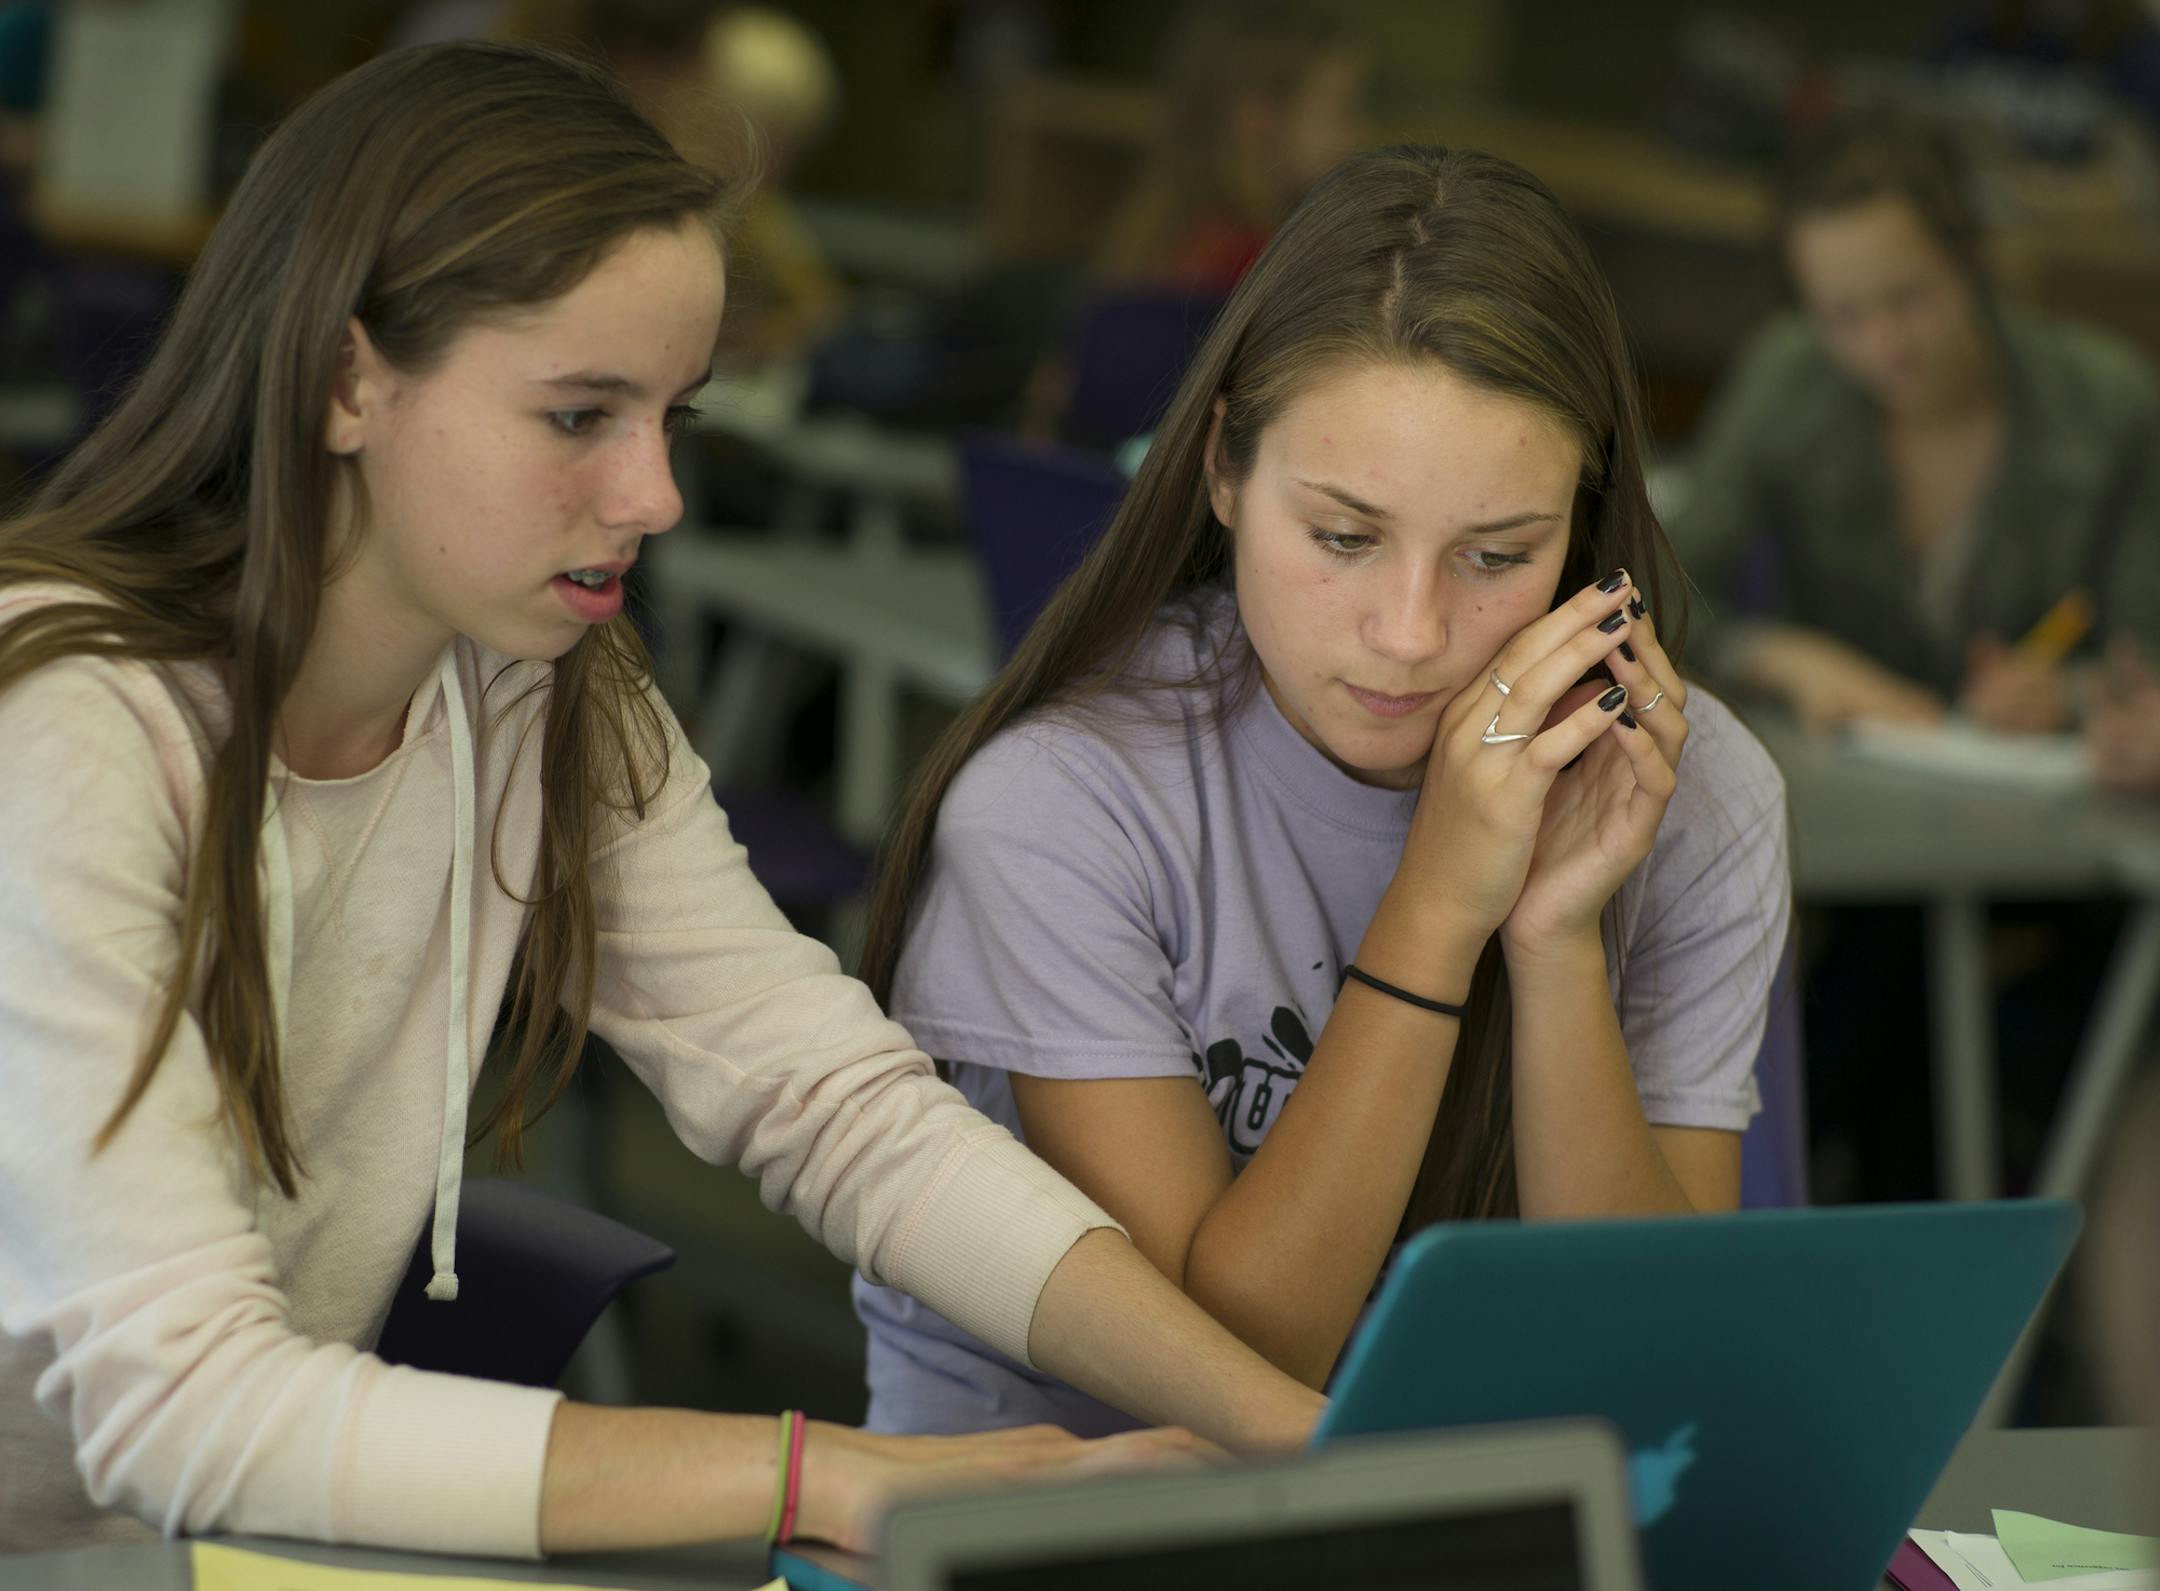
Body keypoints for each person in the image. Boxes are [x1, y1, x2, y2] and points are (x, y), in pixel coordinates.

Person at [0, 41, 1328, 1559]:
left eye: (673, 419)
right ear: (348, 377)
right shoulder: (66, 726)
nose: (655, 497)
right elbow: (182, 1403)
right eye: (579, 416)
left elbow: (829, 1097)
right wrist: (825, 1469)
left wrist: (1282, 1422)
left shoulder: (543, 684)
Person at [851, 145, 1792, 1435]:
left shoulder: (1697, 788)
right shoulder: (1059, 802)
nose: (1408, 631)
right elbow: (1234, 1359)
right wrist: (1442, 904)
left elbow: (1644, 1365)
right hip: (1065, 1520)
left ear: (1587, 521)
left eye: (1498, 555)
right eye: (1344, 537)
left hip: (1460, 1517)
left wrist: (1558, 941)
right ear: (1226, 467)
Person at [1665, 109, 2160, 734]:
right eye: (1844, 316)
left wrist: (2072, 694)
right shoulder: (1789, 375)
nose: (1884, 345)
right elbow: (1656, 587)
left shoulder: (2109, 405)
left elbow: (2148, 651)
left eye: (1909, 298)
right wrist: (1777, 657)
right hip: (1840, 774)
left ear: (1973, 260)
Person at [1096, 0, 1368, 298]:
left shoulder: (1146, 240)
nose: (1358, 134)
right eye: (1345, 108)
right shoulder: (1256, 265)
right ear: (1260, 117)